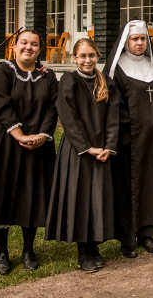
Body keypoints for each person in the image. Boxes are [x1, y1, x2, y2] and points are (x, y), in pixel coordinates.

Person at [0, 28, 58, 275]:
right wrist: (20, 135)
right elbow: (0, 105)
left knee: (32, 194)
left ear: (40, 49)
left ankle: (28, 250)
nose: (29, 47)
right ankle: (2, 254)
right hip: (5, 141)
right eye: (24, 43)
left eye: (34, 44)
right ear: (14, 47)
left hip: (38, 143)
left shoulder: (47, 76)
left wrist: (42, 135)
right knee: (2, 194)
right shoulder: (3, 71)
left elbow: (52, 108)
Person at [45, 37, 120, 272]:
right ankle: (83, 251)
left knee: (98, 198)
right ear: (74, 58)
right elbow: (68, 118)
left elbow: (113, 117)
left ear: (97, 56)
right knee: (81, 199)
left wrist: (108, 145)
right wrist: (87, 147)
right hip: (80, 151)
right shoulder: (69, 81)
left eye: (92, 55)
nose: (87, 60)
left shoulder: (106, 82)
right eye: (83, 56)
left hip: (102, 149)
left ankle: (94, 246)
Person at [108, 21, 153, 256]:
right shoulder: (118, 68)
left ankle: (148, 232)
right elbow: (113, 106)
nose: (139, 43)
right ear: (126, 41)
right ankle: (127, 237)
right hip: (129, 141)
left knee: (152, 184)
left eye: (143, 39)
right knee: (129, 187)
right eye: (135, 39)